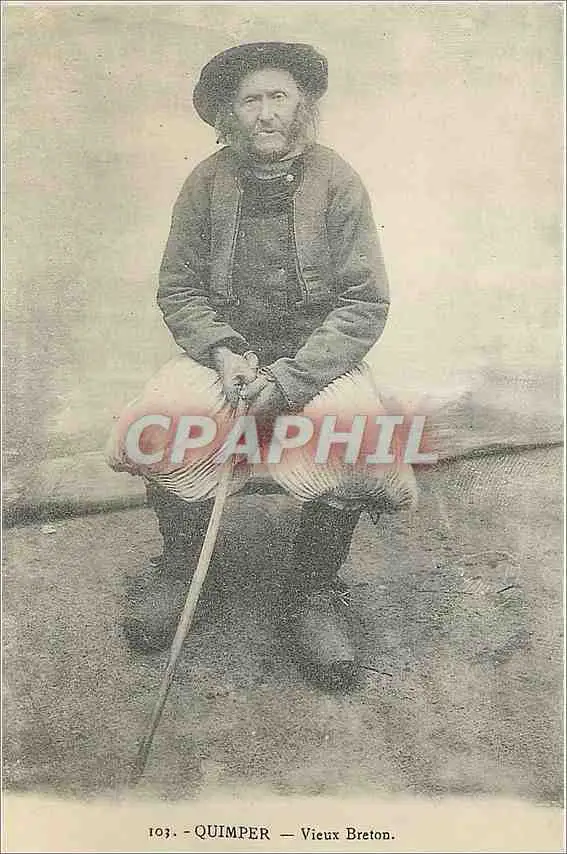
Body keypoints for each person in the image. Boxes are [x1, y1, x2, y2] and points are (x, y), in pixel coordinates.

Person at [122, 42, 395, 691]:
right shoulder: (205, 183)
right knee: (157, 425)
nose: (267, 113)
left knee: (358, 439)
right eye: (251, 100)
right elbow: (179, 288)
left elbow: (364, 302)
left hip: (315, 360)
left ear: (301, 106)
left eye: (279, 97)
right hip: (229, 359)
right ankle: (182, 569)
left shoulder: (338, 181)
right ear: (230, 113)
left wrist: (292, 379)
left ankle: (311, 593)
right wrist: (221, 351)